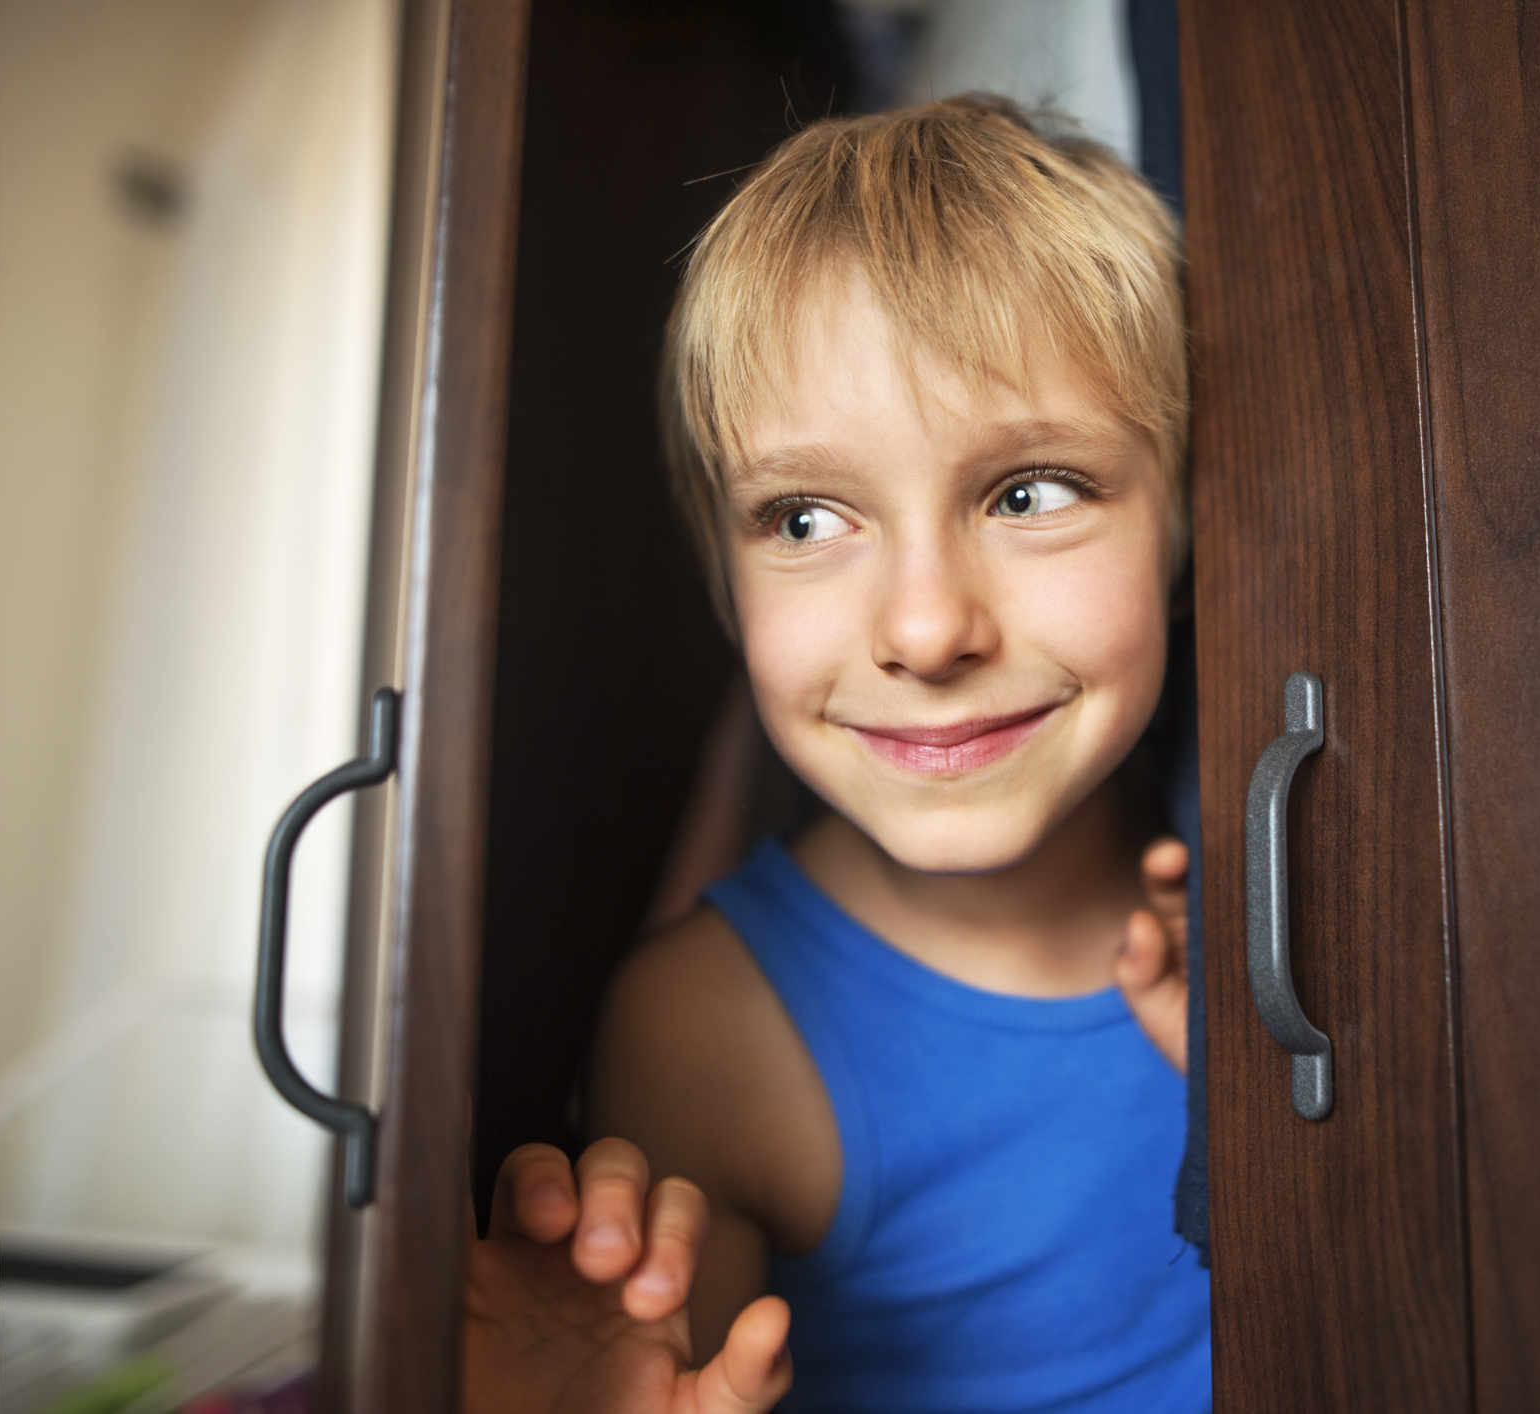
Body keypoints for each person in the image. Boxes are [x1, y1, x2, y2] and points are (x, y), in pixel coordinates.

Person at [461, 95, 1203, 1414]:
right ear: (723, 571)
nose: (924, 627)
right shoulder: (714, 1029)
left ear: (1187, 522)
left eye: (1027, 491)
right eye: (805, 516)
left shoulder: (1271, 894)